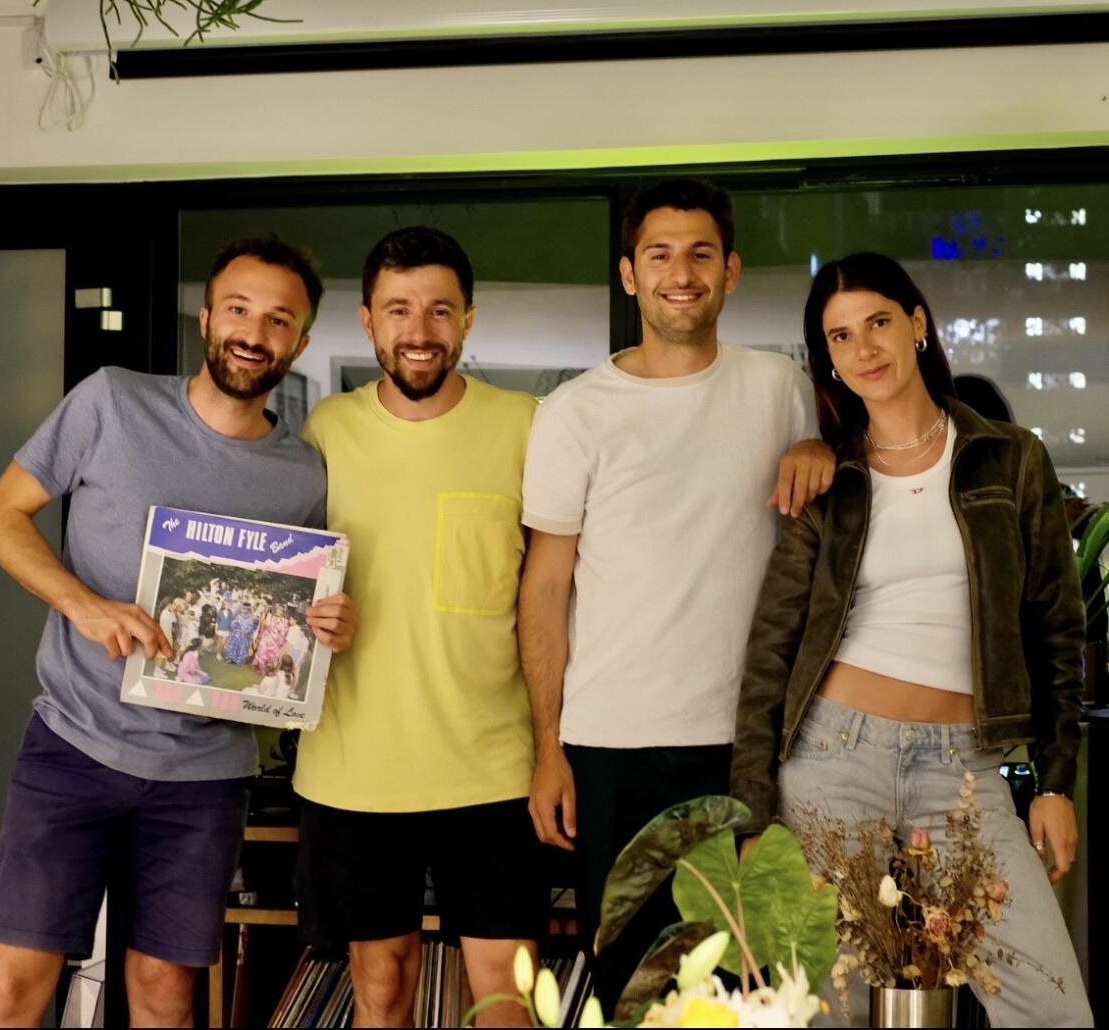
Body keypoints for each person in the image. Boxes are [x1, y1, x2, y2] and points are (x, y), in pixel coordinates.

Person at [0, 235, 357, 1029]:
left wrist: (326, 625)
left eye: (279, 320)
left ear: (301, 341)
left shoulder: (303, 473)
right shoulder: (111, 402)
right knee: (11, 991)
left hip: (205, 777)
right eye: (239, 309)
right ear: (207, 317)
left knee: (165, 996)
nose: (254, 333)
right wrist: (83, 604)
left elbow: (289, 625)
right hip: (73, 746)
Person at [730, 252, 1092, 1026]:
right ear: (827, 359)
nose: (864, 348)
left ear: (918, 324)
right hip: (833, 758)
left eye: (879, 323)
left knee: (1051, 1005)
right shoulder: (828, 479)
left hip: (965, 769)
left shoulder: (1010, 459)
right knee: (826, 1011)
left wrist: (1055, 782)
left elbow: (1056, 628)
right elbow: (770, 654)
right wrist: (753, 816)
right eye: (841, 337)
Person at [518, 178, 835, 1008]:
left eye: (701, 254)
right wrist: (548, 747)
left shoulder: (780, 388)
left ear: (731, 271)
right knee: (629, 987)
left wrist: (820, 449)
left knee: (749, 987)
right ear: (630, 274)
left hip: (747, 746)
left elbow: (822, 527)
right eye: (659, 255)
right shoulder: (573, 412)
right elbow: (544, 588)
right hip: (610, 746)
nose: (680, 273)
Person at [293, 227, 542, 1028]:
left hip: (495, 767)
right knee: (381, 987)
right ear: (368, 320)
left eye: (440, 309)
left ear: (468, 318)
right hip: (354, 768)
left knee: (505, 993)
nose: (420, 330)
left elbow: (560, 592)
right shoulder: (323, 431)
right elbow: (278, 578)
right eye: (398, 309)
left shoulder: (528, 426)